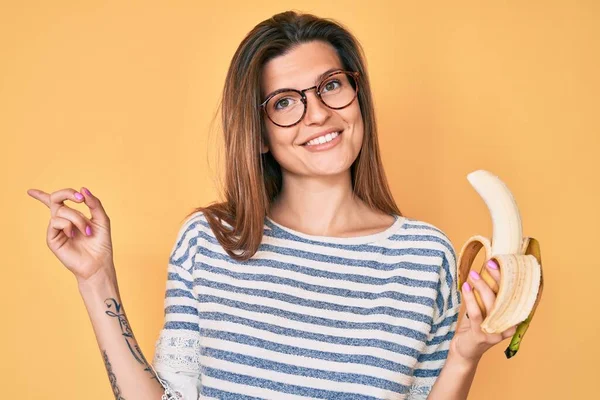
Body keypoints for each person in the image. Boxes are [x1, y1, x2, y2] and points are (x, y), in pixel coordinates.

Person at [27, 10, 518, 400]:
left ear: (357, 95)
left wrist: (464, 354)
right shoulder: (211, 239)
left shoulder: (423, 254)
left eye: (331, 85)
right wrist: (96, 280)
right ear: (258, 134)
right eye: (284, 101)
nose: (319, 113)